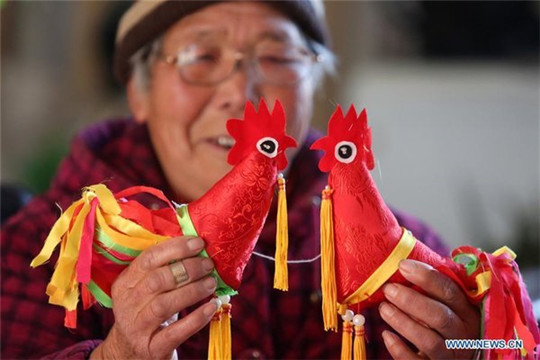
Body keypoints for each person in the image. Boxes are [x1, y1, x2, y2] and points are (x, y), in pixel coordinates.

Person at [1, 1, 480, 359]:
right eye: (200, 56)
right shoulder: (40, 249)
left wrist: (473, 346)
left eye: (276, 57)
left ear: (314, 85)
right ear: (138, 94)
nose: (240, 92)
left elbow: (511, 341)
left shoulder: (409, 252)